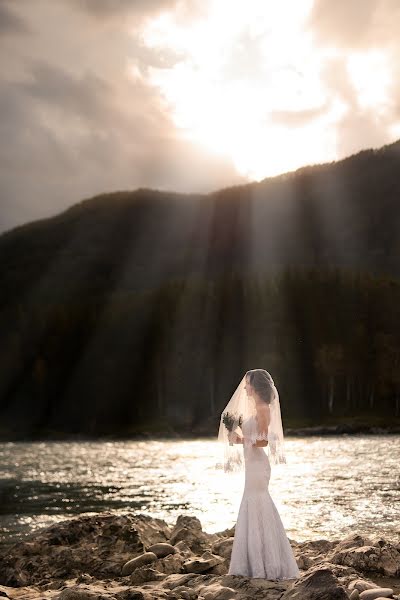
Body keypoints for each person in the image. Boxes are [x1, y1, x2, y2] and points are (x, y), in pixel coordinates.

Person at [217, 369, 300, 580]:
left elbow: (263, 441)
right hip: (251, 464)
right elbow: (250, 438)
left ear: (255, 386)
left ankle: (268, 566)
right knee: (251, 504)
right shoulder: (254, 410)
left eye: (247, 384)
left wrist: (243, 439)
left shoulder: (263, 408)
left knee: (258, 503)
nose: (244, 387)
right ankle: (254, 563)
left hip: (258, 466)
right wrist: (233, 435)